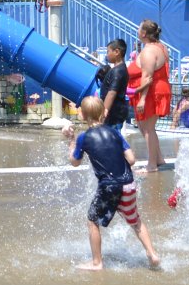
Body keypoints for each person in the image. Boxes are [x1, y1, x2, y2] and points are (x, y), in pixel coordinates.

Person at [68, 95, 161, 270]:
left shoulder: (83, 138)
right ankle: (152, 254)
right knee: (136, 221)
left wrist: (71, 140)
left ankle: (97, 262)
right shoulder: (115, 133)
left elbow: (74, 162)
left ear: (82, 116)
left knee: (92, 220)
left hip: (109, 187)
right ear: (104, 113)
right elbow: (132, 160)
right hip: (128, 184)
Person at [134, 19, 171, 172]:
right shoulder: (160, 47)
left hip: (152, 91)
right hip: (158, 88)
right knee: (147, 127)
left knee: (148, 129)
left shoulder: (148, 51)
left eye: (139, 28)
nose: (137, 31)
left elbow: (147, 77)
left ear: (143, 33)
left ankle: (151, 165)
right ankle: (158, 159)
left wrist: (142, 99)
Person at [98, 38, 130, 132]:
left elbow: (112, 93)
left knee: (112, 141)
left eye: (108, 52)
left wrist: (104, 111)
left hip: (114, 114)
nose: (107, 55)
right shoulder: (117, 69)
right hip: (114, 113)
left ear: (117, 52)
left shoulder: (118, 71)